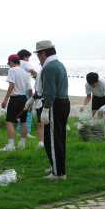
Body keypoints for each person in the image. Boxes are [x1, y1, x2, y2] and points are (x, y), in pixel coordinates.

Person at [35, 40, 70, 180]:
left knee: (53, 140)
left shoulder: (49, 67)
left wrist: (45, 108)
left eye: (38, 54)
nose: (38, 58)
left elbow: (49, 92)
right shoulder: (59, 64)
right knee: (60, 138)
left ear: (43, 53)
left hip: (54, 104)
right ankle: (56, 167)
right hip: (64, 102)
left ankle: (58, 173)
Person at [0, 54, 32, 152]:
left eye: (8, 63)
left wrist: (5, 99)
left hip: (15, 99)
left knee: (9, 121)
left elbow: (11, 85)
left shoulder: (12, 70)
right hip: (24, 98)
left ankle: (11, 145)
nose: (8, 65)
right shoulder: (25, 73)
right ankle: (22, 144)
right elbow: (30, 89)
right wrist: (30, 101)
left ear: (12, 62)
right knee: (23, 122)